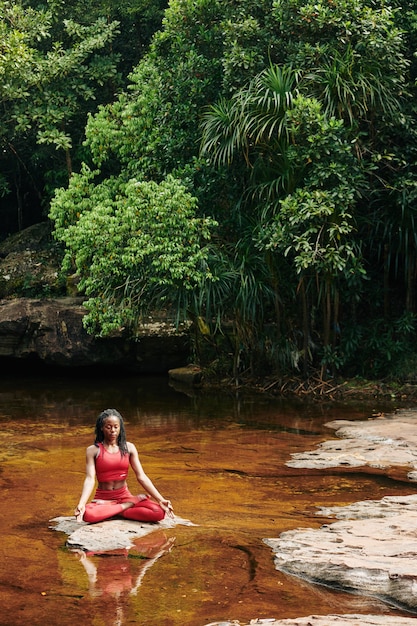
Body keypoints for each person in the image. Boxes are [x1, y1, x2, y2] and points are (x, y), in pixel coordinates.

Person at [74, 408, 174, 524]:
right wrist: (81, 503)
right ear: (101, 428)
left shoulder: (129, 448)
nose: (113, 430)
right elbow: (90, 479)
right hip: (103, 498)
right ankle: (126, 507)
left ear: (120, 428)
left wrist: (161, 499)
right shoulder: (93, 450)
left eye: (116, 427)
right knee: (87, 514)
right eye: (108, 427)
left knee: (158, 512)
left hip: (124, 496)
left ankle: (114, 511)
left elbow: (141, 476)